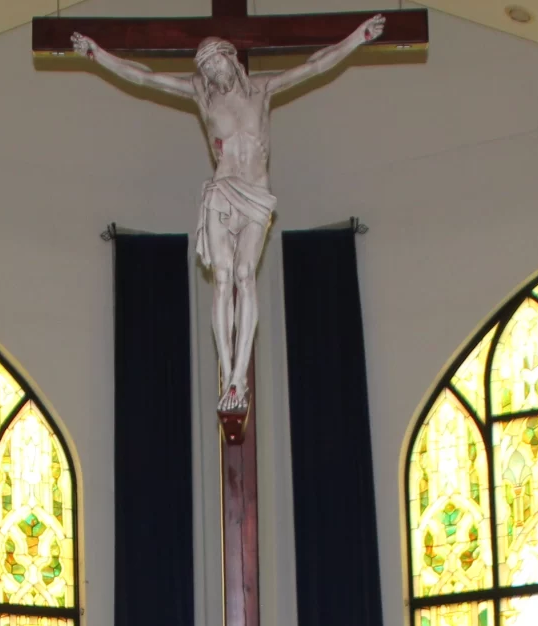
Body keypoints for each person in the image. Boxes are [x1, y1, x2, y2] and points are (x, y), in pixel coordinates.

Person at [70, 15, 388, 421]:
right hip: (221, 191)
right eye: (204, 70)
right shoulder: (203, 96)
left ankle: (242, 372)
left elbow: (317, 64)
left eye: (214, 65)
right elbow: (145, 78)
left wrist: (357, 38)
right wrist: (97, 54)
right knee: (221, 278)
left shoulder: (263, 90)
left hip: (255, 195)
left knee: (243, 274)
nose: (211, 74)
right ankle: (230, 376)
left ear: (230, 58)